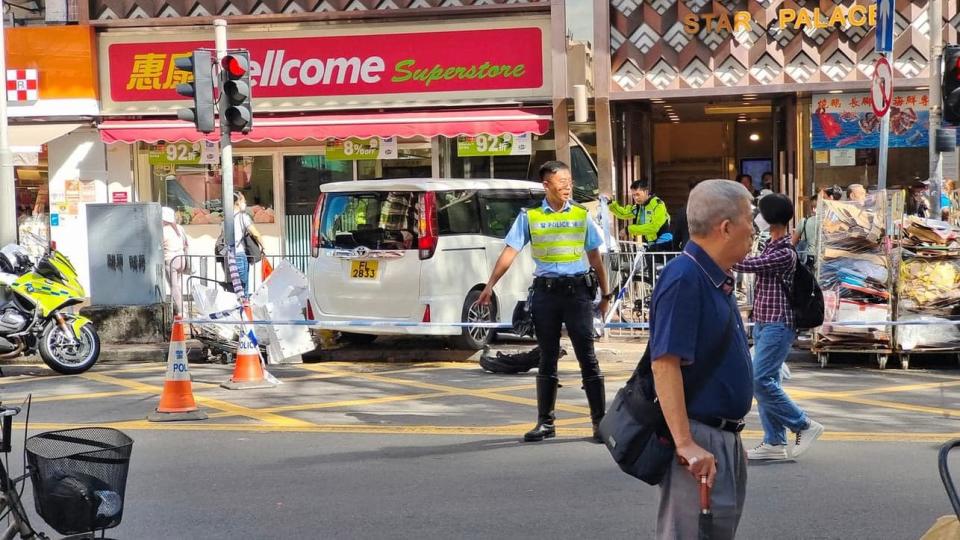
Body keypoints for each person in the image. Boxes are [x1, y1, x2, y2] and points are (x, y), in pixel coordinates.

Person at [478, 161, 612, 443]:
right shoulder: (530, 216)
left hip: (577, 294)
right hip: (546, 294)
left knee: (587, 356)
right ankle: (545, 423)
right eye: (561, 181)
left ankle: (599, 423)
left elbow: (595, 257)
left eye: (569, 181)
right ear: (546, 185)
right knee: (547, 357)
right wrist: (490, 285)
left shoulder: (580, 214)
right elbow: (510, 252)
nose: (567, 186)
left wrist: (605, 294)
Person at [649, 180, 753, 539]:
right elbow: (664, 363)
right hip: (699, 437)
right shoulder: (685, 277)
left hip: (720, 436)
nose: (754, 230)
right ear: (726, 227)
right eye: (749, 220)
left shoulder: (711, 276)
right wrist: (685, 443)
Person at [734, 193, 824, 461]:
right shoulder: (770, 245)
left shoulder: (784, 253)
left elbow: (745, 264)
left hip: (778, 325)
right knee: (766, 380)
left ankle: (803, 424)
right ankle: (774, 441)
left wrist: (721, 249)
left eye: (759, 214)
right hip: (764, 324)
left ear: (770, 219)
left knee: (760, 381)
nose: (755, 218)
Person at [606, 180, 673, 250]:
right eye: (633, 195)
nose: (636, 198)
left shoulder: (658, 204)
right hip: (650, 243)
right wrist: (610, 203)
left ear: (646, 192)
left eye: (638, 194)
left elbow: (654, 227)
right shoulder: (638, 207)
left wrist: (629, 229)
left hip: (664, 241)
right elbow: (623, 213)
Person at [231, 192, 265, 296]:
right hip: (240, 254)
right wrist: (263, 246)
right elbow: (255, 233)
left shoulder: (226, 218)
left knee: (235, 286)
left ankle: (239, 307)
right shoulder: (243, 217)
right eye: (244, 201)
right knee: (243, 286)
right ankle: (243, 308)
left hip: (230, 255)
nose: (245, 204)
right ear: (238, 203)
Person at [161, 207, 189, 315]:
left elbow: (158, 246)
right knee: (177, 285)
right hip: (182, 259)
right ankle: (182, 307)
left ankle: (180, 311)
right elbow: (186, 244)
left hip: (170, 260)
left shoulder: (163, 230)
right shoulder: (179, 228)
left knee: (173, 286)